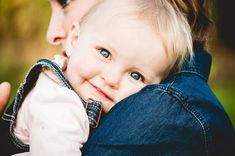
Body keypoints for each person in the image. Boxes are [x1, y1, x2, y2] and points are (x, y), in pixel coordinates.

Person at [1, 0, 235, 155]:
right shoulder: (57, 102)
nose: (112, 78)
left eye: (136, 75)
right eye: (104, 53)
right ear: (75, 38)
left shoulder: (166, 106)